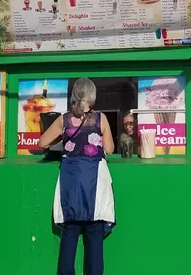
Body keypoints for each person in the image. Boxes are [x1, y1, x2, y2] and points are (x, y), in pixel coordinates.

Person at [39, 78, 115, 275]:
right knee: (95, 238)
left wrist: (64, 143)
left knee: (69, 235)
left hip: (70, 182)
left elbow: (42, 143)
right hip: (95, 183)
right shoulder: (100, 119)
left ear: (74, 96)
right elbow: (109, 149)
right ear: (93, 96)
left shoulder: (63, 119)